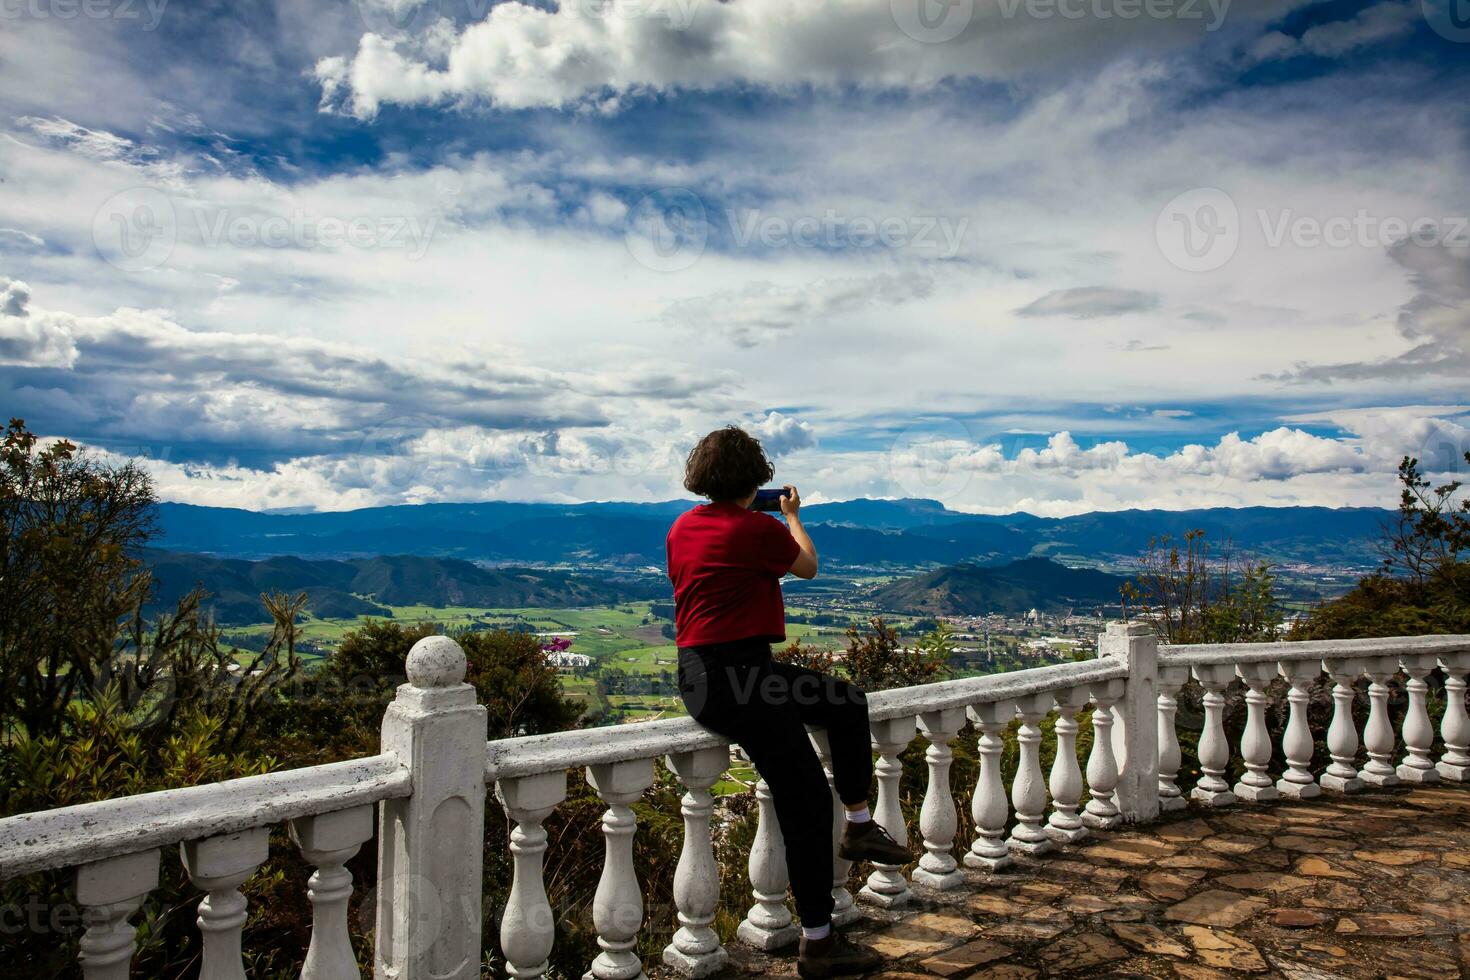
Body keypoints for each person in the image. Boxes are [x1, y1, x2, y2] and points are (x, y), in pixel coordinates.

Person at [666, 426, 912, 978]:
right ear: (756, 477)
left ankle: (858, 822)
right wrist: (792, 518)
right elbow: (807, 566)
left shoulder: (682, 526)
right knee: (802, 800)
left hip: (712, 675)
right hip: (742, 680)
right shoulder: (755, 528)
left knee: (845, 700)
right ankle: (818, 944)